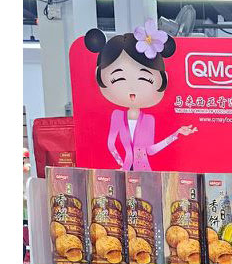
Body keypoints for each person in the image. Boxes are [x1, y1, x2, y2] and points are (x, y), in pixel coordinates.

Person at [84, 21, 197, 170]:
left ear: (163, 80)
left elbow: (150, 150)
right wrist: (121, 163)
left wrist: (176, 134)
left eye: (145, 79)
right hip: (124, 172)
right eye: (118, 79)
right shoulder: (117, 116)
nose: (131, 89)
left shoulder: (149, 120)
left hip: (145, 173)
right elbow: (110, 144)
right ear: (99, 76)